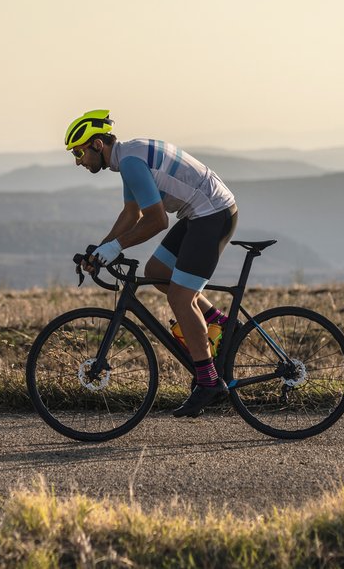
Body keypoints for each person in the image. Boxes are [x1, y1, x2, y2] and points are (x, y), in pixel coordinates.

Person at [66, 109, 238, 417]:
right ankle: (222, 325)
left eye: (79, 152)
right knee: (157, 272)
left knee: (179, 297)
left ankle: (209, 380)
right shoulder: (126, 158)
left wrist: (116, 247)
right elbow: (131, 214)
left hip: (212, 214)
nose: (78, 161)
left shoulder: (130, 162)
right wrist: (102, 249)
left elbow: (157, 220)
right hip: (199, 213)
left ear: (96, 145)